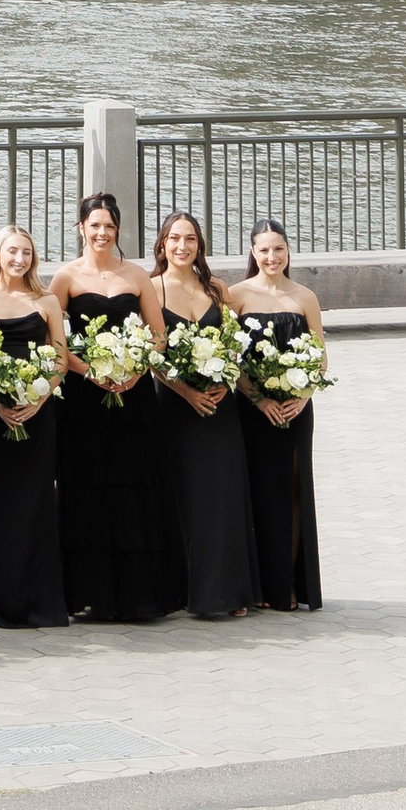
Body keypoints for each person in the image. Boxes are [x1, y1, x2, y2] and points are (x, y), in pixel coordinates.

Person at [48, 191, 181, 623]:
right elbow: (54, 341)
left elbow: (158, 336)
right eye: (94, 225)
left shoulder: (137, 276)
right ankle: (88, 593)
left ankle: (136, 593)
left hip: (132, 398)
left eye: (109, 226)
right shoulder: (65, 278)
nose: (101, 233)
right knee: (87, 486)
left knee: (132, 486)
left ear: (117, 230)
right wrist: (89, 371)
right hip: (84, 398)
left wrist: (135, 370)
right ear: (80, 228)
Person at [145, 209, 260, 621]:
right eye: (175, 238)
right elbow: (153, 356)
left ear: (200, 245)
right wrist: (188, 392)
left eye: (190, 239)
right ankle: (185, 590)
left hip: (219, 407)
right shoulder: (152, 289)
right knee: (183, 496)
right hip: (175, 407)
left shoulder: (217, 289)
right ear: (162, 244)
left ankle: (228, 589)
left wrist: (224, 377)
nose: (182, 246)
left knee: (223, 495)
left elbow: (233, 345)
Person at [0, 225, 68, 630]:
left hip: (38, 414)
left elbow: (61, 360)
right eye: (12, 251)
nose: (19, 259)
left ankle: (41, 602)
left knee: (37, 503)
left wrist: (38, 398)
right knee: (0, 504)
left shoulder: (45, 300)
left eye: (26, 253)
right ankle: (4, 601)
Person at [229, 220, 325, 614]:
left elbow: (319, 358)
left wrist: (302, 397)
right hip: (252, 410)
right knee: (255, 491)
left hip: (295, 410)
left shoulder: (304, 297)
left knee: (293, 492)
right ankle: (257, 585)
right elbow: (227, 359)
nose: (272, 257)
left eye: (279, 249)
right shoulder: (235, 296)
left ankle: (286, 583)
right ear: (252, 253)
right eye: (264, 250)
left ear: (288, 252)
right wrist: (257, 397)